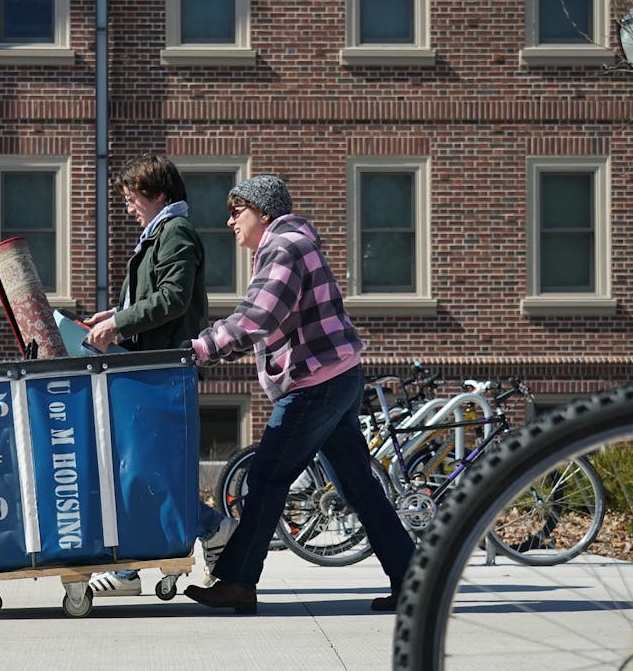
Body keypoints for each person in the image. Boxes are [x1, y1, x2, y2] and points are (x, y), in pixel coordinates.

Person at [181, 174, 414, 614]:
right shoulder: (295, 242)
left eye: (237, 212)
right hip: (338, 376)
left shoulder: (283, 246)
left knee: (266, 479)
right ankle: (414, 582)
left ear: (263, 212)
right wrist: (225, 347)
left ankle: (236, 581)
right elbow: (274, 320)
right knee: (359, 487)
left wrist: (202, 347)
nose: (229, 221)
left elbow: (259, 316)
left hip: (316, 383)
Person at [82, 153, 237, 597]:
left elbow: (172, 299)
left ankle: (135, 569)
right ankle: (211, 530)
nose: (129, 207)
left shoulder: (176, 234)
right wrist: (117, 314)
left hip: (163, 371)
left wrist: (119, 324)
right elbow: (158, 297)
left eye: (134, 198)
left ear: (160, 195)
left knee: (145, 471)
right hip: (150, 369)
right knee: (145, 470)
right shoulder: (159, 235)